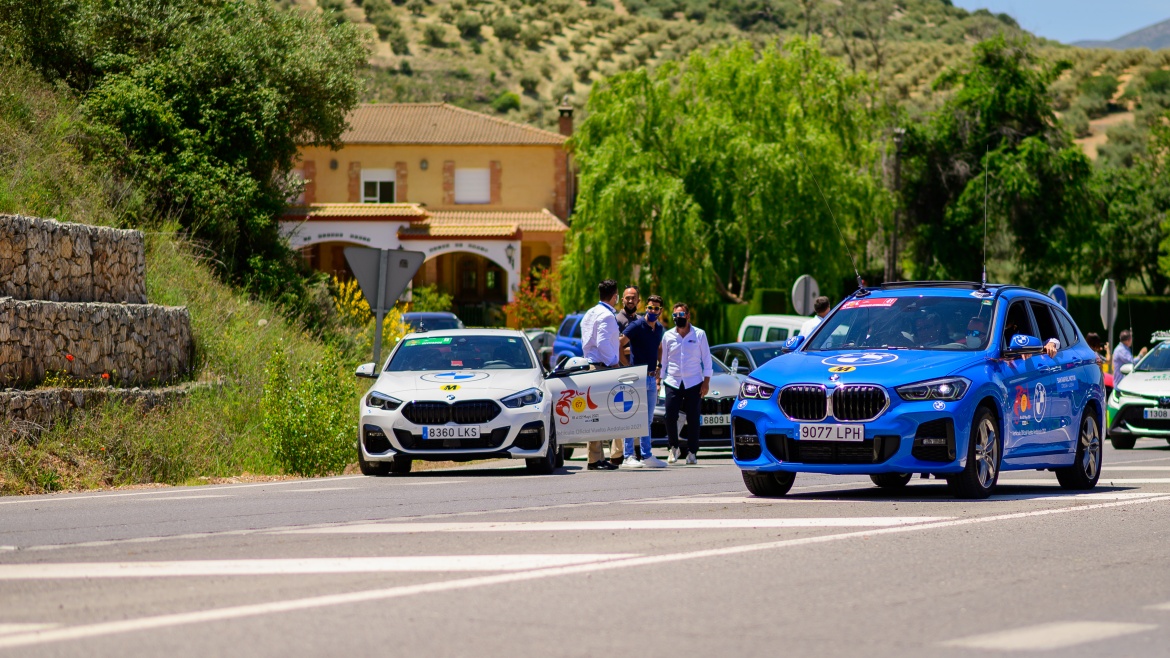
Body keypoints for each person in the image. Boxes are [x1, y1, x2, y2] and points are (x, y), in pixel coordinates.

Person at [658, 303, 712, 465]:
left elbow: (707, 360)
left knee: (693, 418)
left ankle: (692, 452)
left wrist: (706, 382)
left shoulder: (699, 335)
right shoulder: (668, 336)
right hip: (673, 381)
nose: (678, 318)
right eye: (675, 316)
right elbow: (664, 361)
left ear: (688, 316)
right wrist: (659, 379)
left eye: (681, 315)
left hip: (694, 381)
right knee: (669, 416)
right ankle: (673, 447)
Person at [618, 294, 668, 469]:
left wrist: (660, 366)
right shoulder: (637, 325)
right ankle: (628, 456)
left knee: (647, 419)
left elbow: (659, 346)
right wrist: (627, 367)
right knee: (632, 417)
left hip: (651, 377)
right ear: (645, 308)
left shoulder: (659, 328)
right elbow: (620, 343)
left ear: (660, 311)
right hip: (636, 377)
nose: (652, 311)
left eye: (655, 308)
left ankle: (647, 455)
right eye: (649, 308)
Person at [579, 279, 621, 471]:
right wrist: (614, 362)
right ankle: (595, 459)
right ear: (614, 296)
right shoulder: (607, 316)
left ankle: (596, 457)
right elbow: (603, 343)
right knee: (600, 415)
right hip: (602, 367)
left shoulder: (590, 313)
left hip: (590, 365)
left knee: (594, 414)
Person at [603, 284, 642, 465]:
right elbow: (615, 346)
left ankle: (636, 452)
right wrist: (628, 356)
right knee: (621, 413)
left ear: (638, 300)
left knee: (638, 413)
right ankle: (617, 455)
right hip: (621, 372)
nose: (630, 300)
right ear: (622, 299)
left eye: (634, 297)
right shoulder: (616, 320)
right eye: (627, 297)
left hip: (639, 374)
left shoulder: (642, 320)